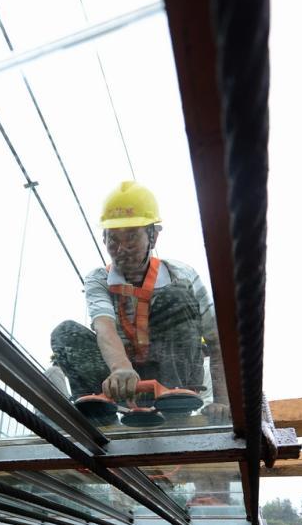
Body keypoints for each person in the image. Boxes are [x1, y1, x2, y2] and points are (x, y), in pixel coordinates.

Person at [50, 181, 229, 422]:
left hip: (171, 379)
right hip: (122, 380)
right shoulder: (99, 279)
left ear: (153, 237)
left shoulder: (182, 276)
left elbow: (217, 343)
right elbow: (104, 326)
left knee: (176, 296)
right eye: (113, 239)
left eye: (132, 237)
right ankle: (98, 411)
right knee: (65, 333)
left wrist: (223, 402)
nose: (121, 248)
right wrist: (120, 369)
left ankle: (174, 400)